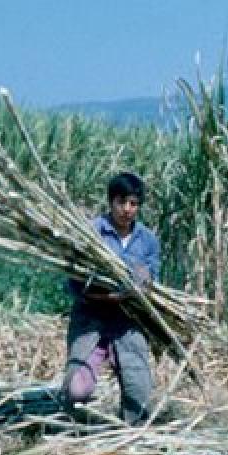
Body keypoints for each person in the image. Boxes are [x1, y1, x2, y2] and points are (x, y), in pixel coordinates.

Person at [61, 171, 160, 425]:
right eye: (121, 202)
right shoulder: (91, 233)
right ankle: (77, 428)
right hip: (91, 318)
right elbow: (73, 281)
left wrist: (144, 281)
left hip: (128, 320)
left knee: (138, 393)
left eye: (134, 204)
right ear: (111, 202)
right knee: (76, 390)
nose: (127, 210)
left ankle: (131, 435)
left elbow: (153, 279)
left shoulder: (147, 240)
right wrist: (105, 297)